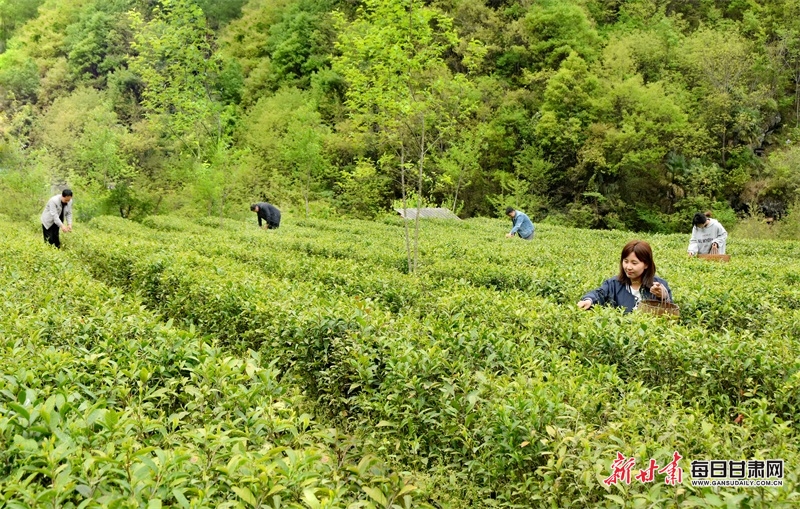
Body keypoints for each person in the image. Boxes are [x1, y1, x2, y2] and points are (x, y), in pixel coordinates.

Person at [577, 240, 672, 313]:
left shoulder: (659, 285)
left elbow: (670, 312)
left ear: (646, 264)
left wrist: (663, 297)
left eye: (634, 263)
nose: (628, 267)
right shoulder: (613, 284)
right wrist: (588, 300)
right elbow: (599, 294)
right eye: (625, 261)